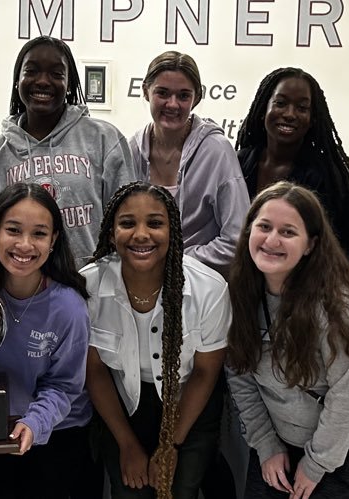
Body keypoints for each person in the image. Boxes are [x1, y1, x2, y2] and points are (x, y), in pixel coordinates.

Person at [226, 182, 349, 499]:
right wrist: (266, 444)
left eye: (288, 232)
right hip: (280, 438)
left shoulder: (339, 309)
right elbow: (240, 374)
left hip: (347, 441)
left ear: (310, 245)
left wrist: (316, 464)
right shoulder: (241, 294)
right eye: (264, 227)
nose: (272, 240)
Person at [0, 182, 95, 499]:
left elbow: (65, 385)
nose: (25, 245)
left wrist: (35, 423)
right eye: (13, 230)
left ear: (53, 240)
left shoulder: (68, 306)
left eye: (39, 234)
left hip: (56, 431)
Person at [80, 182, 231, 499]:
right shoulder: (88, 286)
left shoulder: (209, 288)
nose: (141, 234)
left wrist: (171, 444)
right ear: (111, 233)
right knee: (129, 489)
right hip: (123, 402)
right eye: (127, 223)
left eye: (155, 223)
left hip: (189, 399)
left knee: (178, 489)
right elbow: (94, 370)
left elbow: (205, 372)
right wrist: (126, 443)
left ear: (172, 231)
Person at [0, 36, 138, 264]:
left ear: (69, 84)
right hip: (22, 280)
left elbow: (129, 220)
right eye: (31, 71)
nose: (42, 81)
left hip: (92, 279)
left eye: (56, 74)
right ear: (17, 80)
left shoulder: (104, 138)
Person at [127, 51, 249, 274]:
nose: (172, 104)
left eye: (183, 96)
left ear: (197, 98)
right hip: (142, 280)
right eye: (163, 93)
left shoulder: (217, 152)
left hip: (201, 283)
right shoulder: (131, 151)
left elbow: (237, 239)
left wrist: (176, 261)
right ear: (145, 91)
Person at [235, 68, 349, 248]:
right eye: (280, 103)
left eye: (302, 108)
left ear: (312, 118)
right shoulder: (238, 162)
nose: (290, 114)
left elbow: (329, 248)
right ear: (263, 109)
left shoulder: (326, 176)